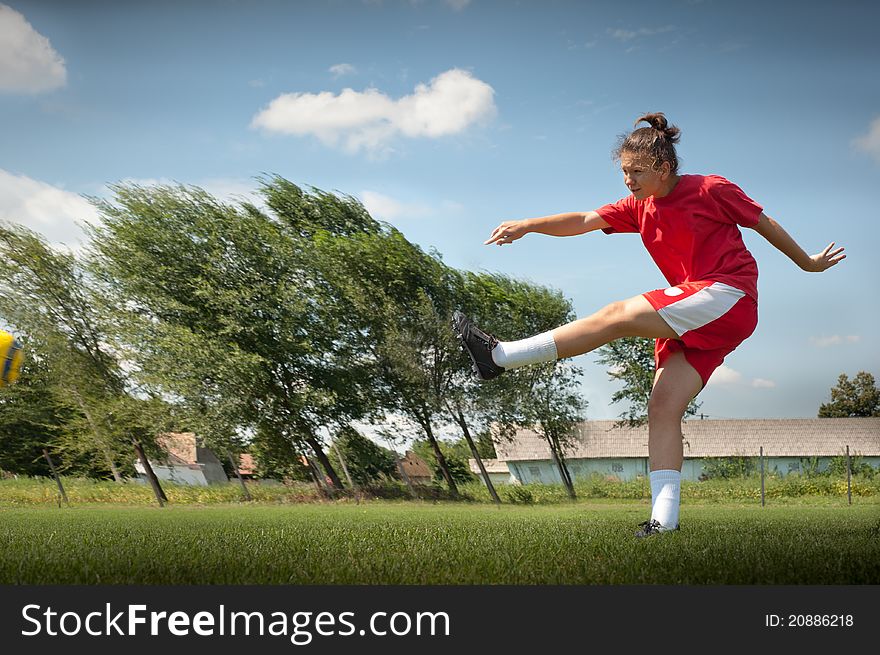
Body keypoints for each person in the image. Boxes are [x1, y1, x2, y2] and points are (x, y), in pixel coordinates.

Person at [452, 112, 845, 538]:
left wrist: (807, 263)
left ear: (664, 167)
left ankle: (499, 355)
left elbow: (762, 223)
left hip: (727, 296)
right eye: (623, 172)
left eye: (636, 171)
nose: (628, 180)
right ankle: (664, 522)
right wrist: (528, 225)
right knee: (661, 409)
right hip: (697, 319)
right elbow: (584, 221)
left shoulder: (710, 188)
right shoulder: (639, 206)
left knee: (616, 316)